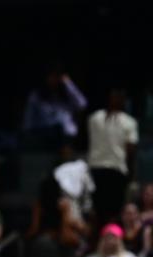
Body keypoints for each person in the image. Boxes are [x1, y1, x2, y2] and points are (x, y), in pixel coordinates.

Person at [88, 89, 139, 222]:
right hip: (114, 171)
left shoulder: (94, 117)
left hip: (97, 170)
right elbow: (131, 151)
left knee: (98, 211)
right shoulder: (129, 122)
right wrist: (132, 175)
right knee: (112, 213)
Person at [22, 68, 88, 146]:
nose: (54, 80)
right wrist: (27, 134)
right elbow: (28, 117)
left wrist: (68, 84)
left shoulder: (67, 94)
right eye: (52, 76)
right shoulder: (37, 95)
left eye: (57, 76)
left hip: (67, 137)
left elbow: (82, 104)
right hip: (45, 135)